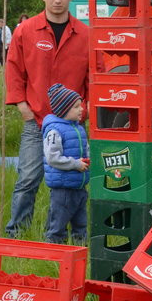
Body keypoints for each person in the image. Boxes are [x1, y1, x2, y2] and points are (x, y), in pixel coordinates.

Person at [4, 0, 89, 238]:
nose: (57, 1)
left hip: (72, 125)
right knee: (27, 179)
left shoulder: (86, 35)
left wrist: (85, 109)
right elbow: (13, 68)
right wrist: (20, 104)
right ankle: (17, 232)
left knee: (71, 181)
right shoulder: (26, 31)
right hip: (36, 119)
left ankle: (62, 234)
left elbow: (94, 77)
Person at [42, 84, 90, 244]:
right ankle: (55, 252)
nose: (81, 109)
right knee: (59, 224)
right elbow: (52, 157)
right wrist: (76, 164)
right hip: (62, 189)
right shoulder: (54, 131)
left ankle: (80, 251)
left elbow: (85, 150)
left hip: (79, 185)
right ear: (63, 110)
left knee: (81, 222)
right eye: (76, 107)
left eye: (80, 105)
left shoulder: (79, 129)